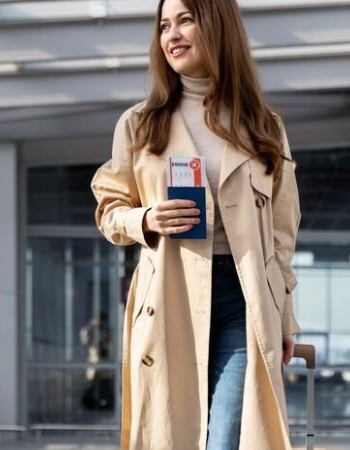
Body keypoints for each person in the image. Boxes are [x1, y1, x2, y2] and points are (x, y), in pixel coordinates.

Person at [90, 0, 301, 449]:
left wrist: (285, 319)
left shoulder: (264, 126)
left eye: (185, 20)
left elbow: (282, 235)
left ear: (218, 25)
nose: (172, 35)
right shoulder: (141, 124)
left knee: (227, 439)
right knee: (171, 434)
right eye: (164, 25)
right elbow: (109, 210)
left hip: (244, 302)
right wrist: (145, 218)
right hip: (169, 296)